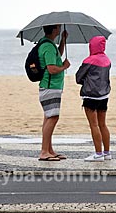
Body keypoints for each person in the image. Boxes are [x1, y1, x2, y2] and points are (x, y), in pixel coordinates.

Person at [75, 36, 112, 162]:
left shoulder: (89, 60)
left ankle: (98, 154)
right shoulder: (107, 60)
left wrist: (85, 81)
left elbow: (78, 78)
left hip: (91, 96)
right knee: (103, 124)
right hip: (104, 95)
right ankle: (107, 152)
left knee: (94, 125)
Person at [38, 24, 70, 161]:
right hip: (50, 86)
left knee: (49, 117)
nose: (59, 29)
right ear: (53, 30)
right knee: (53, 117)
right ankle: (44, 151)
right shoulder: (48, 47)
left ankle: (49, 149)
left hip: (51, 86)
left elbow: (57, 56)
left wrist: (63, 41)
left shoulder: (49, 44)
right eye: (57, 27)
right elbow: (52, 69)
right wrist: (64, 67)